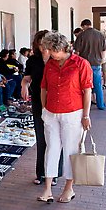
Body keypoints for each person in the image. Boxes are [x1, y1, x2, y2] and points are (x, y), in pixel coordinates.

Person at [37, 31, 93, 204]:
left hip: (73, 113)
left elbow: (87, 91)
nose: (48, 53)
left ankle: (69, 188)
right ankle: (47, 189)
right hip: (51, 113)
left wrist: (86, 115)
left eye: (51, 50)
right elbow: (44, 87)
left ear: (61, 48)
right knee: (52, 148)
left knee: (70, 151)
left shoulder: (81, 64)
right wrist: (44, 108)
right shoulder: (50, 65)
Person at [21, 30, 62, 187]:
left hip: (56, 102)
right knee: (41, 137)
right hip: (39, 101)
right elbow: (27, 78)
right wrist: (24, 86)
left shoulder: (57, 58)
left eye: (45, 44)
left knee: (56, 138)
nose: (42, 48)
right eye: (39, 44)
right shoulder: (33, 60)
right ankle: (41, 173)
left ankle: (55, 173)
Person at [73, 19, 106, 110]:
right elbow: (104, 50)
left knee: (84, 85)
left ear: (84, 26)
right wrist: (102, 61)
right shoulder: (101, 35)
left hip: (84, 64)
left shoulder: (81, 35)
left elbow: (77, 52)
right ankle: (101, 105)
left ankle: (84, 105)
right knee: (98, 85)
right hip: (97, 63)